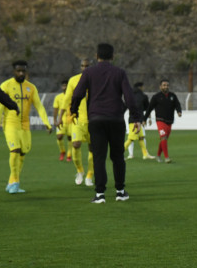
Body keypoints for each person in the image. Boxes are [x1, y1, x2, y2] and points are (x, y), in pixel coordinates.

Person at [70, 43, 142, 204]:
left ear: (96, 56)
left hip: (96, 120)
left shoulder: (89, 72)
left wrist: (73, 110)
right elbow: (129, 96)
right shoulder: (120, 73)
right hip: (116, 119)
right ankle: (120, 191)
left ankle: (100, 194)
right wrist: (136, 117)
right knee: (117, 157)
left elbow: (78, 93)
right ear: (113, 56)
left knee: (99, 157)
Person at [0, 61, 53, 193]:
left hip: (25, 126)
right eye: (18, 71)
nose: (21, 73)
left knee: (22, 153)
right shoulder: (6, 85)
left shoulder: (31, 88)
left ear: (26, 72)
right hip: (10, 124)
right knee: (15, 150)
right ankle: (15, 181)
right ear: (14, 71)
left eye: (23, 71)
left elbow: (39, 106)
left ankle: (11, 182)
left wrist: (47, 123)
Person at [58, 59, 95, 186]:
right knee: (76, 144)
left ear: (91, 67)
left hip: (94, 121)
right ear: (80, 67)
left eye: (87, 66)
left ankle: (90, 175)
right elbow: (67, 98)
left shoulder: (97, 79)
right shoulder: (73, 80)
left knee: (93, 149)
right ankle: (80, 171)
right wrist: (60, 116)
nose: (85, 68)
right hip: (77, 119)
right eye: (82, 66)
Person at [145, 79, 182, 163]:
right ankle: (166, 157)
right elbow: (149, 108)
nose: (166, 87)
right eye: (164, 85)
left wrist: (179, 111)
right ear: (160, 86)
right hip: (160, 120)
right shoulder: (156, 97)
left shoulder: (172, 95)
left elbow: (177, 104)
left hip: (169, 121)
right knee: (163, 137)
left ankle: (158, 155)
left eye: (167, 85)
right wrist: (144, 119)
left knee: (163, 139)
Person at [124, 82, 153, 160]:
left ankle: (145, 154)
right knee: (131, 138)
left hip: (131, 119)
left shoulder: (130, 96)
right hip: (138, 120)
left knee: (141, 137)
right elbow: (148, 109)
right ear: (141, 87)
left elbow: (124, 107)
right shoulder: (143, 96)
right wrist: (148, 118)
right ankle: (118, 153)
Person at [53, 79, 70, 161]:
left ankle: (69, 155)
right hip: (61, 119)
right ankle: (62, 151)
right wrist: (54, 120)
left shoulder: (72, 96)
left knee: (70, 138)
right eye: (63, 85)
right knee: (59, 136)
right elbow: (55, 109)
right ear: (61, 87)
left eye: (66, 85)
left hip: (71, 119)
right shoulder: (58, 97)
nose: (65, 87)